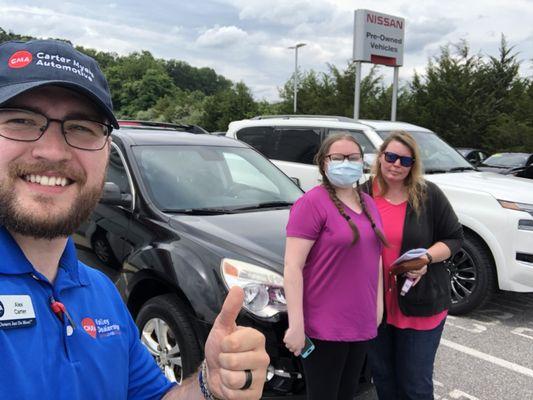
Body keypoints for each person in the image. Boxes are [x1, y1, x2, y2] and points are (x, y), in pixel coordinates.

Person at [0, 39, 268, 400]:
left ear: (105, 152)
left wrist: (208, 386)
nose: (52, 150)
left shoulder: (99, 292)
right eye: (21, 120)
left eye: (81, 127)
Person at [283, 134, 388, 400]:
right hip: (323, 327)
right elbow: (292, 266)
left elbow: (374, 257)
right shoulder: (311, 204)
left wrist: (377, 307)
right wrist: (296, 324)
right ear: (323, 163)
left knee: (347, 393)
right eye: (337, 157)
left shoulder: (369, 204)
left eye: (353, 158)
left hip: (360, 322)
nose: (346, 163)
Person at [363, 131, 464, 400]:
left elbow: (454, 238)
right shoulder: (362, 194)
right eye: (391, 157)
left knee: (415, 385)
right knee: (383, 379)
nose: (396, 165)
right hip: (375, 307)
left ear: (413, 165)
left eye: (405, 161)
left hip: (420, 304)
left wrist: (426, 259)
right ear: (381, 157)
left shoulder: (428, 194)